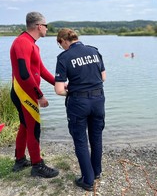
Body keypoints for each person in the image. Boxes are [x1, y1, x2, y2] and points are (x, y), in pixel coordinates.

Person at [54, 28, 106, 191]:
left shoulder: (64, 57)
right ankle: (96, 172)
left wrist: (73, 90)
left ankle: (88, 180)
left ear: (63, 40)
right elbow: (103, 77)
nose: (61, 47)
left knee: (81, 141)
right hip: (98, 100)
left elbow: (59, 89)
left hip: (78, 103)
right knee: (96, 137)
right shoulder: (94, 51)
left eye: (59, 44)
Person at [10, 12, 59, 178]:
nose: (47, 29)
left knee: (25, 125)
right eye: (46, 26)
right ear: (39, 26)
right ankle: (37, 165)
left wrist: (58, 83)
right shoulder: (22, 43)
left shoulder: (32, 44)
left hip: (26, 92)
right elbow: (24, 74)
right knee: (34, 127)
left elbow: (41, 70)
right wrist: (39, 95)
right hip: (24, 93)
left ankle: (20, 160)